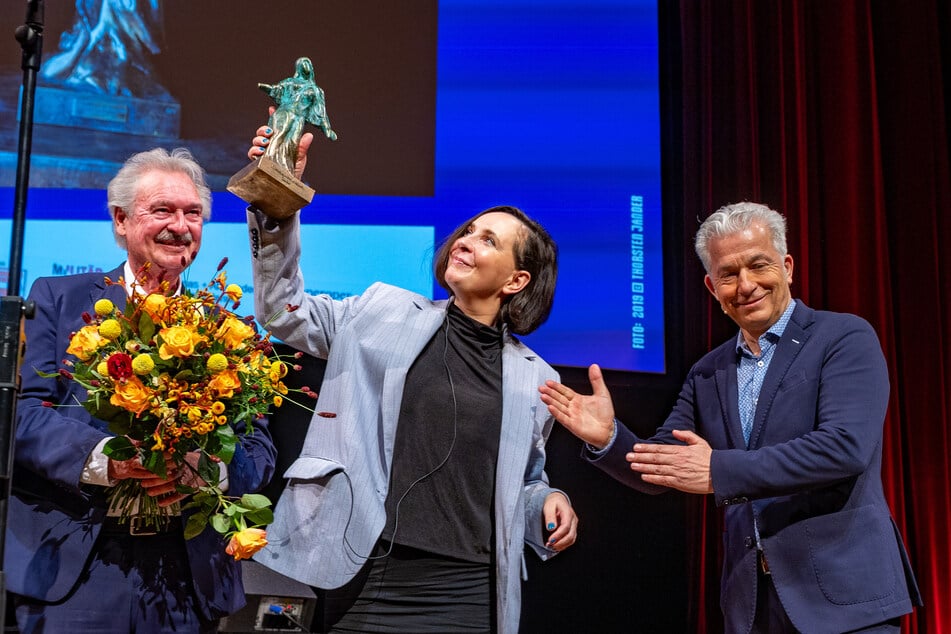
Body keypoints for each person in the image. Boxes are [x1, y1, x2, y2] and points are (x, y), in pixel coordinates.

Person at [244, 125, 578, 633]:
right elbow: (282, 313)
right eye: (468, 231)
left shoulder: (536, 380)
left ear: (516, 281)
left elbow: (524, 481)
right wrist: (277, 200)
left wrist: (551, 500)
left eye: (489, 240)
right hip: (364, 571)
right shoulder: (381, 310)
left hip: (469, 589)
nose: (466, 242)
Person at [539, 202, 921, 633]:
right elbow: (665, 464)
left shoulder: (843, 337)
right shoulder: (708, 371)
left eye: (759, 265)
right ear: (710, 286)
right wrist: (609, 437)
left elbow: (843, 448)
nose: (746, 285)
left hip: (845, 598)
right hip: (752, 605)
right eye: (728, 274)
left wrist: (718, 470)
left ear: (787, 266)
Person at [5, 147, 277, 633]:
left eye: (193, 213)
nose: (181, 225)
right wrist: (108, 458)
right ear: (121, 221)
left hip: (183, 578)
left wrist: (209, 470)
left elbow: (257, 445)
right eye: (163, 210)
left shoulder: (227, 330)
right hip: (78, 567)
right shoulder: (58, 299)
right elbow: (21, 416)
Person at [258, 57, 337, 174]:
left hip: (299, 118)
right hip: (285, 112)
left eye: (308, 63)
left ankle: (285, 171)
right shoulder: (291, 81)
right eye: (303, 63)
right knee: (280, 134)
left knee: (293, 143)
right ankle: (267, 163)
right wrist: (266, 87)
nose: (306, 65)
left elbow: (321, 112)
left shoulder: (317, 91)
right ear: (298, 67)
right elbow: (277, 89)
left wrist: (327, 129)